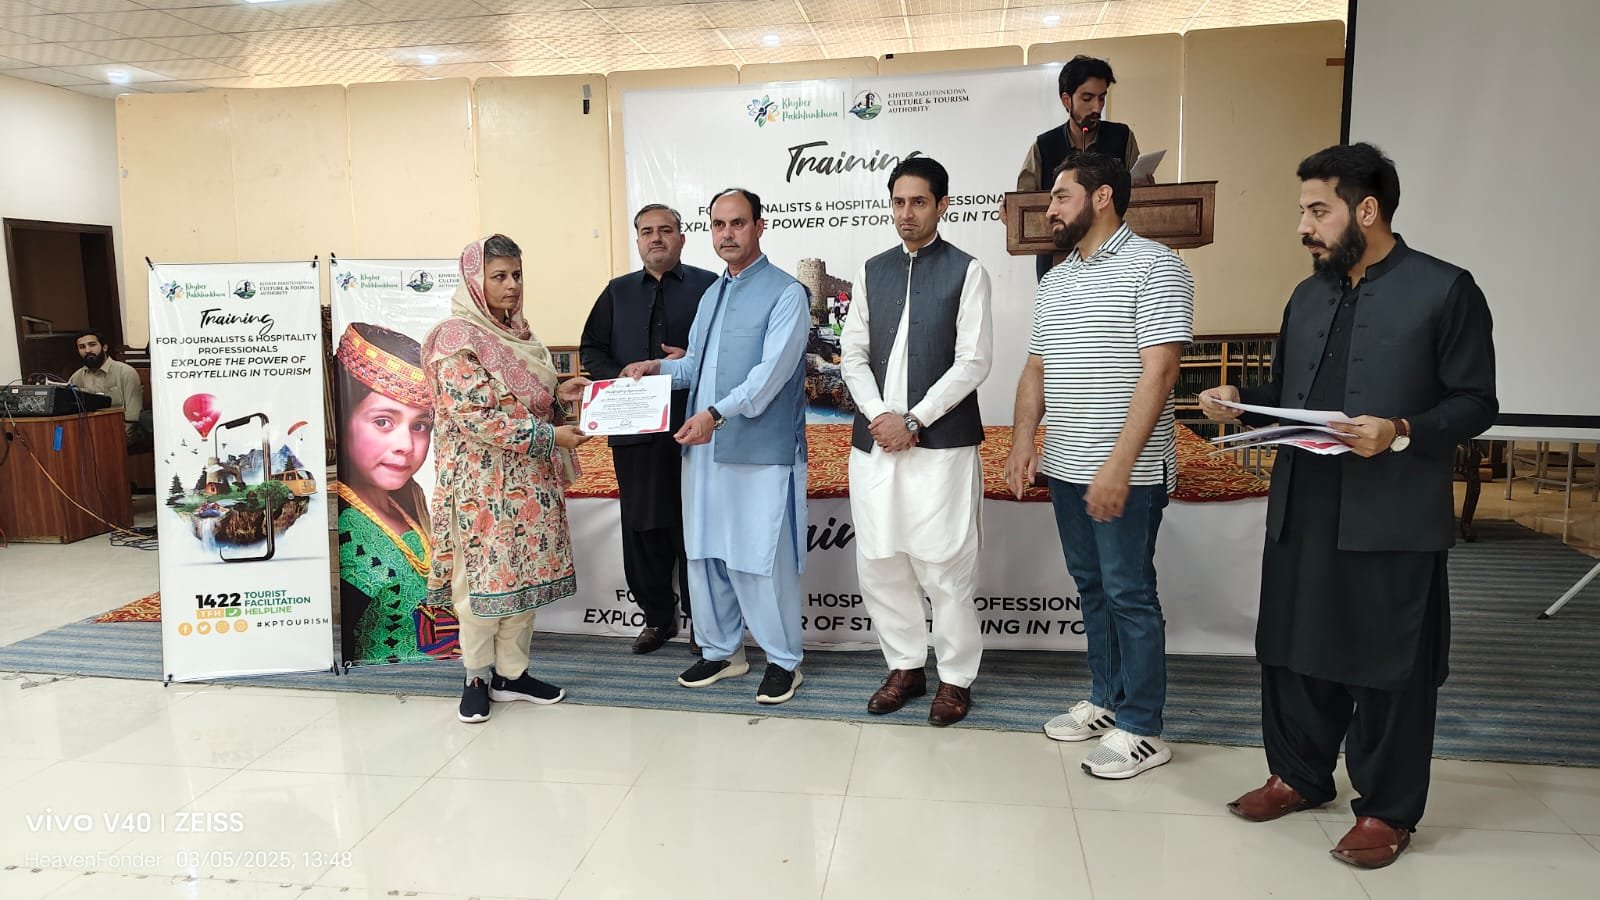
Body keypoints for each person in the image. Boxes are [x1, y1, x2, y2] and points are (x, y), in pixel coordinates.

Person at [1203, 143, 1496, 869]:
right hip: (1303, 503)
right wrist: (1241, 402)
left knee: (1387, 661)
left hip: (1392, 510)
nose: (1303, 226)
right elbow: (1289, 392)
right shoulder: (1308, 296)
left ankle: (1387, 810)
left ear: (1366, 210)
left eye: (1317, 210)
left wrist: (1399, 430)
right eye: (1302, 210)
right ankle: (1299, 776)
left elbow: (1475, 402)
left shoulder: (1445, 289)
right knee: (1294, 647)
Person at [1004, 152, 1194, 779]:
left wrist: (1119, 464)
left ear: (1103, 196)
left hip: (1127, 472)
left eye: (1061, 196)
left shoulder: (1156, 266)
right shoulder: (1056, 280)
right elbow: (1036, 367)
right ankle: (1107, 700)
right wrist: (1024, 441)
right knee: (1092, 587)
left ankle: (1143, 727)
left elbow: (1160, 371)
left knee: (1129, 594)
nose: (1050, 209)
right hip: (1065, 465)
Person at [620, 188, 810, 705]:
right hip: (703, 447)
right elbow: (695, 366)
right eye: (719, 225)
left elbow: (769, 377)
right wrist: (655, 369)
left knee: (758, 558)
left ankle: (784, 661)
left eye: (738, 223)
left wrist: (715, 414)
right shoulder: (713, 294)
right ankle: (722, 651)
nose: (727, 234)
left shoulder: (787, 293)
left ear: (760, 226)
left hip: (758, 451)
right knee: (705, 554)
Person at [839, 156, 993, 726]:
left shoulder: (967, 271)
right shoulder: (872, 270)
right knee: (881, 560)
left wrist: (915, 419)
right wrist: (881, 415)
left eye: (919, 202)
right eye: (899, 202)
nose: (907, 213)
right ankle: (905, 666)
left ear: (942, 205)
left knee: (945, 564)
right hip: (877, 442)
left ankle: (955, 677)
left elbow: (973, 361)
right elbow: (852, 354)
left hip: (941, 444)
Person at [422, 234, 592, 724]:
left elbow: (529, 402)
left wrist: (561, 394)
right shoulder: (455, 340)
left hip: (530, 480)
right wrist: (550, 436)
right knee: (481, 585)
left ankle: (512, 675)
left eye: (517, 275)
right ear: (475, 281)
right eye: (498, 276)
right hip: (480, 486)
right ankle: (477, 676)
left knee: (524, 578)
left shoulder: (520, 334)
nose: (512, 285)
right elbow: (476, 416)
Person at [581, 204, 717, 654]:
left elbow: (726, 352)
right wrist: (621, 377)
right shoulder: (616, 292)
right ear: (637, 239)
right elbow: (591, 350)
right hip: (633, 431)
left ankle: (705, 624)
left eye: (665, 230)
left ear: (681, 237)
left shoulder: (710, 287)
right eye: (646, 231)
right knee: (642, 528)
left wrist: (690, 361)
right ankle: (657, 619)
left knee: (694, 527)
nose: (656, 238)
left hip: (693, 428)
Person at [333, 321, 449, 666]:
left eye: (420, 426)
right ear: (343, 417)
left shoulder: (409, 505)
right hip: (387, 684)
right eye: (383, 421)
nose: (405, 445)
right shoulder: (344, 527)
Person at [1012, 55, 1147, 281]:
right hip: (1057, 262)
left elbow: (1140, 193)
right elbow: (1023, 205)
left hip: (1117, 262)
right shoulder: (1044, 146)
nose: (1097, 107)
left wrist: (1145, 188)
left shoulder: (1122, 137)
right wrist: (1011, 207)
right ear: (1067, 100)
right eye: (1087, 98)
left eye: (1102, 98)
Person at [68, 329, 150, 447]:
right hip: (89, 439)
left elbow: (133, 417)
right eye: (82, 347)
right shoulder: (77, 377)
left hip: (120, 439)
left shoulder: (125, 372)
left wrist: (118, 443)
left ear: (104, 347)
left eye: (92, 345)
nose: (87, 350)